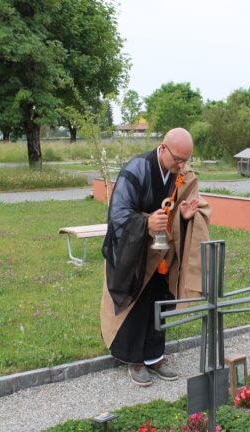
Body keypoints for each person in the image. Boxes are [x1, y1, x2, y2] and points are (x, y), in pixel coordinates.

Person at [100, 127, 211, 387]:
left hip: (162, 252)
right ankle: (134, 359)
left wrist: (183, 216)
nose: (181, 165)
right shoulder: (137, 169)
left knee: (159, 301)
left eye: (186, 160)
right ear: (163, 149)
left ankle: (155, 356)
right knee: (135, 304)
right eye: (177, 159)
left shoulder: (179, 175)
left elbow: (178, 208)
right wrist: (145, 224)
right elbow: (118, 213)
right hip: (134, 250)